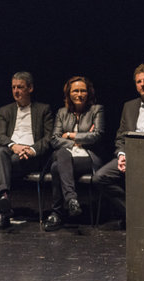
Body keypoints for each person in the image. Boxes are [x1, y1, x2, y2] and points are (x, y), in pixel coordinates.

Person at [92, 63, 144, 227]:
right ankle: (133, 214)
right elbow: (120, 137)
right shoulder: (128, 107)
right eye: (139, 82)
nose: (142, 85)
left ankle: (143, 217)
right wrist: (122, 155)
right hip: (128, 156)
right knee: (100, 177)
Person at [0, 72, 54, 230]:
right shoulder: (6, 110)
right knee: (1, 152)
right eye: (13, 87)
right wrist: (14, 146)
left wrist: (31, 149)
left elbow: (48, 138)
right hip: (11, 152)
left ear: (30, 88)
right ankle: (4, 194)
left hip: (31, 156)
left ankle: (0, 214)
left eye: (20, 87)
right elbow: (1, 137)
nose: (16, 91)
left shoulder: (43, 109)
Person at [44, 76, 105, 231]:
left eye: (83, 91)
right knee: (62, 156)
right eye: (75, 91)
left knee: (56, 167)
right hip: (67, 156)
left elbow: (97, 135)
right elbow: (54, 139)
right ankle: (71, 200)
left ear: (88, 93)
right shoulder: (62, 112)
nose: (79, 94)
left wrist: (70, 135)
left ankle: (57, 212)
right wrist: (79, 141)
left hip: (87, 157)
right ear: (69, 94)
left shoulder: (96, 110)